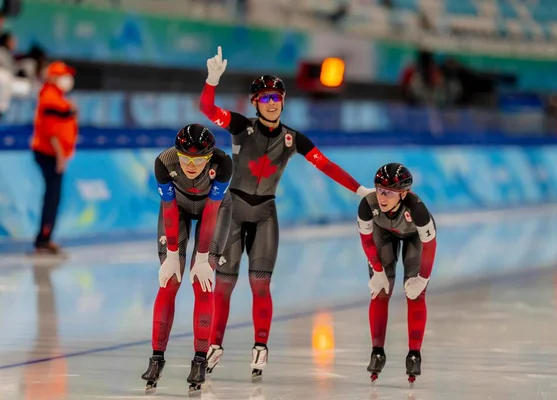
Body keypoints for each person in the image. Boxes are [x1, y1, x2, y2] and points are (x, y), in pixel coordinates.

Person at [198, 46, 372, 379]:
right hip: (232, 209)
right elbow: (207, 109)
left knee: (260, 285)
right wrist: (211, 80)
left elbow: (326, 165)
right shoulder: (240, 126)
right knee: (224, 285)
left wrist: (359, 189)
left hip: (265, 213)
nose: (273, 103)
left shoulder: (293, 138)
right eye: (265, 98)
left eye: (277, 97)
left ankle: (260, 346)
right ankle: (214, 344)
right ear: (254, 103)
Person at [141, 124, 233, 396]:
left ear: (210, 157)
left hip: (214, 211)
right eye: (186, 159)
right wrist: (171, 254)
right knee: (169, 282)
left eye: (199, 160)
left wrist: (203, 257)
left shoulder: (223, 163)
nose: (191, 166)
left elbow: (211, 212)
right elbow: (169, 208)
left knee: (202, 284)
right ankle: (156, 358)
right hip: (177, 210)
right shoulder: (164, 162)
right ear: (176, 154)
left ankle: (199, 360)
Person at [356, 163, 437, 387]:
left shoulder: (417, 210)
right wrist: (378, 270)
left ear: (404, 194)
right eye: (379, 190)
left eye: (389, 193)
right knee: (381, 290)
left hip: (415, 238)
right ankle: (377, 351)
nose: (382, 197)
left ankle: (414, 354)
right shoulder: (367, 205)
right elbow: (367, 241)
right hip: (383, 234)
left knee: (415, 293)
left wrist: (423, 278)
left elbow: (430, 246)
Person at [30, 61, 77, 256]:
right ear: (54, 77)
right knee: (52, 197)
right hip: (50, 154)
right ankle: (44, 239)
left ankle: (45, 238)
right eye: (64, 75)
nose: (68, 79)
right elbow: (52, 132)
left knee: (53, 197)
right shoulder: (50, 98)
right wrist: (60, 156)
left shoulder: (56, 97)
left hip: (54, 154)